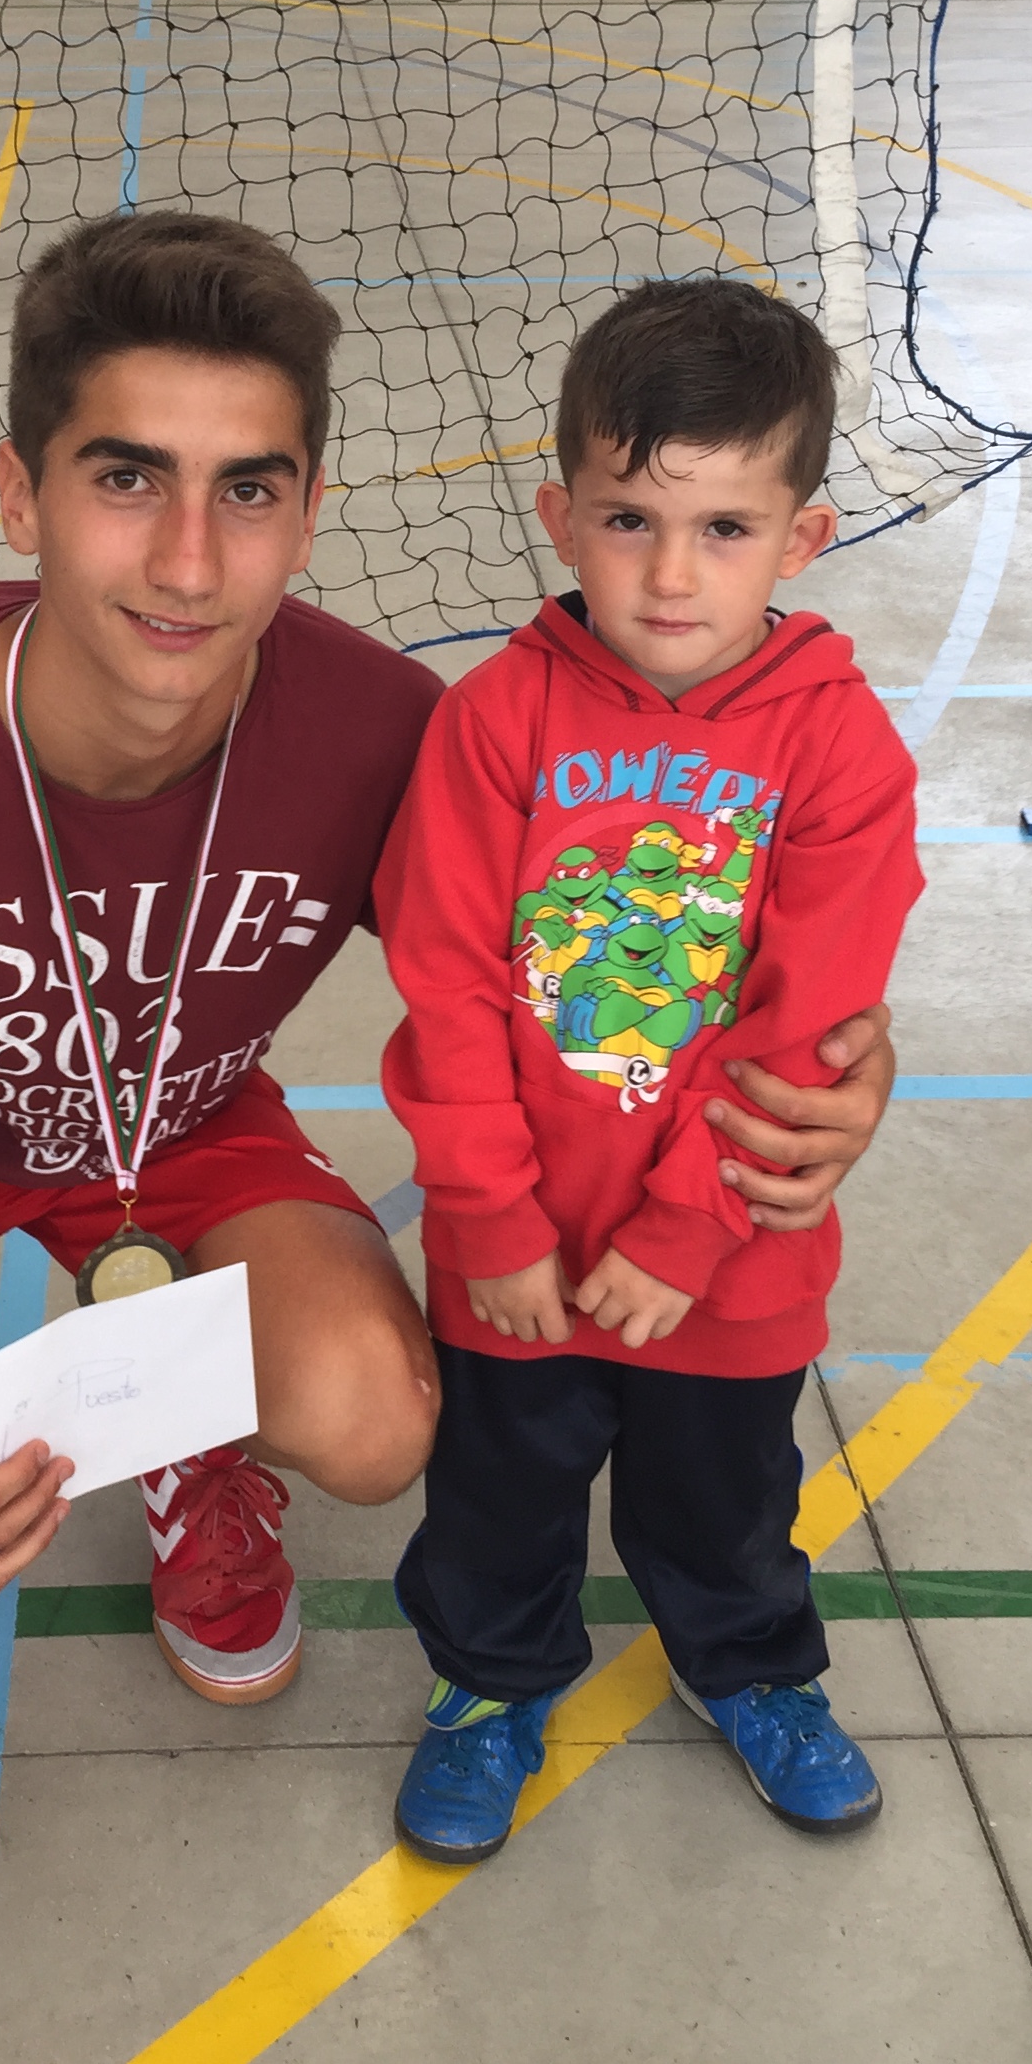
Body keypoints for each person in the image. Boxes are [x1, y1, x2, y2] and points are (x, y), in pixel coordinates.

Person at [0, 211, 903, 1745]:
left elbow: (642, 943)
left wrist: (841, 1069)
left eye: (248, 491)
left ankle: (175, 1430)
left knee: (368, 1417)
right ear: (22, 494)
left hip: (170, 1122)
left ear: (307, 514)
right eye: (128, 478)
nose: (191, 560)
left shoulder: (393, 735)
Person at [373, 278, 923, 1864]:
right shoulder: (494, 725)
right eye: (628, 519)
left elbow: (810, 1020)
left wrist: (692, 1232)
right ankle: (488, 1685)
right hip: (520, 1252)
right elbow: (450, 982)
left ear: (800, 540)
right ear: (561, 515)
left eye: (726, 529)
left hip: (729, 1259)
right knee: (500, 1495)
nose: (670, 573)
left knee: (728, 1501)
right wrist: (483, 1218)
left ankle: (750, 1670)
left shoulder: (836, 746)